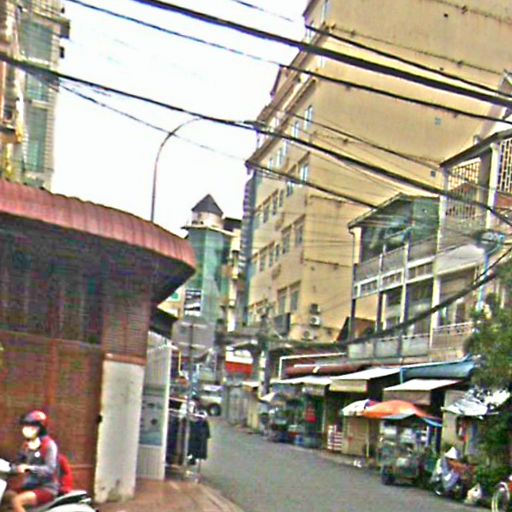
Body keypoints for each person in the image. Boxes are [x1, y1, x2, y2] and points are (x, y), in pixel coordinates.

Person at [2, 410, 60, 512]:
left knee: (16, 501)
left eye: (32, 427)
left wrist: (30, 468)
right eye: (25, 426)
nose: (26, 430)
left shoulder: (49, 445)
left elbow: (50, 469)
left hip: (46, 488)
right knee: (5, 496)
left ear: (40, 429)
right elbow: (18, 462)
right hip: (30, 485)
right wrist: (12, 468)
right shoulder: (26, 445)